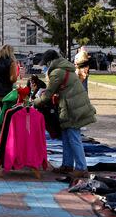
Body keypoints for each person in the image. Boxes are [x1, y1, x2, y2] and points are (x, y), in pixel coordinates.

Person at [34, 49, 96, 179]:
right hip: (71, 105)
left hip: (72, 107)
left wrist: (34, 102)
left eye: (45, 64)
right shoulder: (63, 67)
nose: (45, 67)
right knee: (67, 137)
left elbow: (48, 95)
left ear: (50, 61)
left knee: (74, 137)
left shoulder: (57, 72)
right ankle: (67, 165)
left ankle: (81, 168)